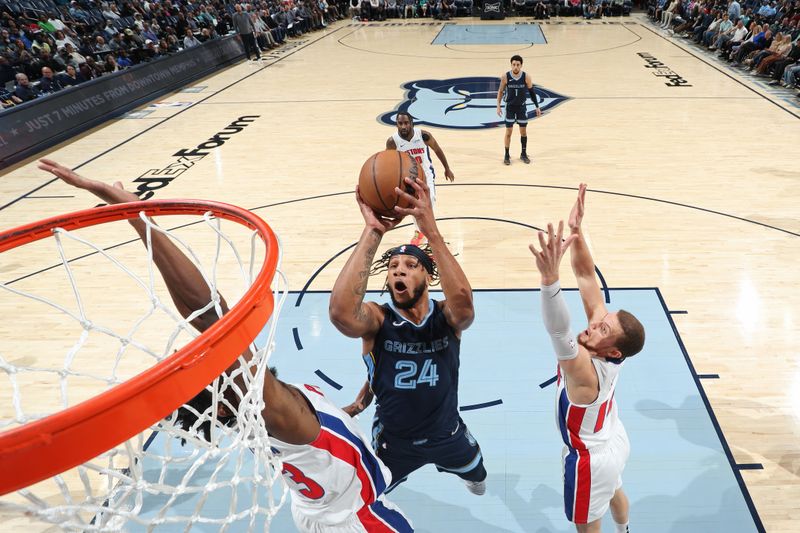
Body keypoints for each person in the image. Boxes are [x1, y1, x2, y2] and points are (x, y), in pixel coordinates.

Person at [39, 159, 413, 533]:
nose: (209, 353)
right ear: (222, 400)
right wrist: (140, 218)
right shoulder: (277, 410)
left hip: (316, 514)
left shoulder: (267, 417)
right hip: (360, 522)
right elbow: (207, 315)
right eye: (209, 362)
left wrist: (341, 418)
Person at [330, 176, 487, 497]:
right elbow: (341, 315)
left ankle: (468, 474)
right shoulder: (377, 318)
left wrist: (431, 230)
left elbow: (466, 310)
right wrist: (373, 230)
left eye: (411, 264)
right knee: (371, 497)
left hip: (448, 434)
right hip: (394, 443)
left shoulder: (445, 317)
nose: (399, 270)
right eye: (393, 266)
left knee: (479, 478)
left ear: (428, 276)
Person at [528, 184, 645, 533]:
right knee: (615, 491)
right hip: (613, 436)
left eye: (603, 329)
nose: (595, 324)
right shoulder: (607, 347)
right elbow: (585, 276)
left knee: (587, 526)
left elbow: (558, 331)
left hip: (589, 459)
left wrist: (549, 280)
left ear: (612, 352)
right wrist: (577, 234)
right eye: (602, 321)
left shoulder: (585, 372)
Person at [385, 112, 455, 245]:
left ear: (412, 123)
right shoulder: (392, 142)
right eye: (400, 123)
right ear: (397, 125)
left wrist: (447, 168)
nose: (403, 126)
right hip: (409, 177)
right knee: (414, 203)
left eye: (406, 123)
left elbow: (437, 149)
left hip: (426, 174)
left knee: (430, 202)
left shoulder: (424, 135)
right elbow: (389, 161)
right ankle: (419, 232)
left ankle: (432, 233)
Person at [496, 55, 542, 166]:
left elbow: (532, 92)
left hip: (521, 107)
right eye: (513, 65)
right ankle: (506, 155)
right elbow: (500, 91)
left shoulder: (526, 77)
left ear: (521, 65)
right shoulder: (505, 76)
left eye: (518, 65)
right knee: (509, 132)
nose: (515, 67)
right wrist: (498, 105)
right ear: (511, 65)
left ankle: (523, 153)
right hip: (510, 107)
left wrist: (537, 106)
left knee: (523, 132)